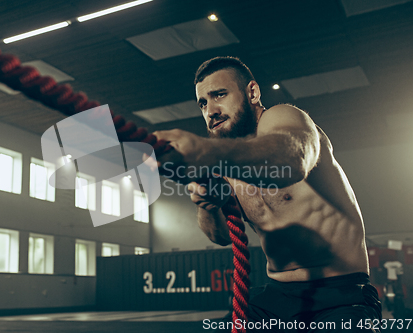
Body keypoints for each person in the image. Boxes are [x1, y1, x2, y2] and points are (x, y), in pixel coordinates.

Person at [151, 57, 382, 332]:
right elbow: (222, 236)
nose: (210, 110)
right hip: (277, 297)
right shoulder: (226, 165)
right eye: (203, 103)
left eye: (219, 95)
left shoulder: (282, 118)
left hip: (341, 294)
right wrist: (207, 205)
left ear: (252, 93)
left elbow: (292, 160)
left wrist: (208, 153)